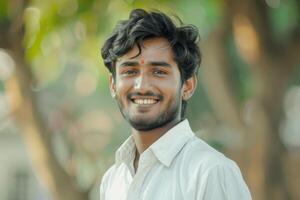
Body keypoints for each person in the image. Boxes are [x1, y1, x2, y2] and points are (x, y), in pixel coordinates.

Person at [99, 8, 252, 200]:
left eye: (159, 72)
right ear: (113, 85)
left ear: (187, 86)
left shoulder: (210, 172)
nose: (142, 85)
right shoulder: (113, 180)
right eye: (130, 71)